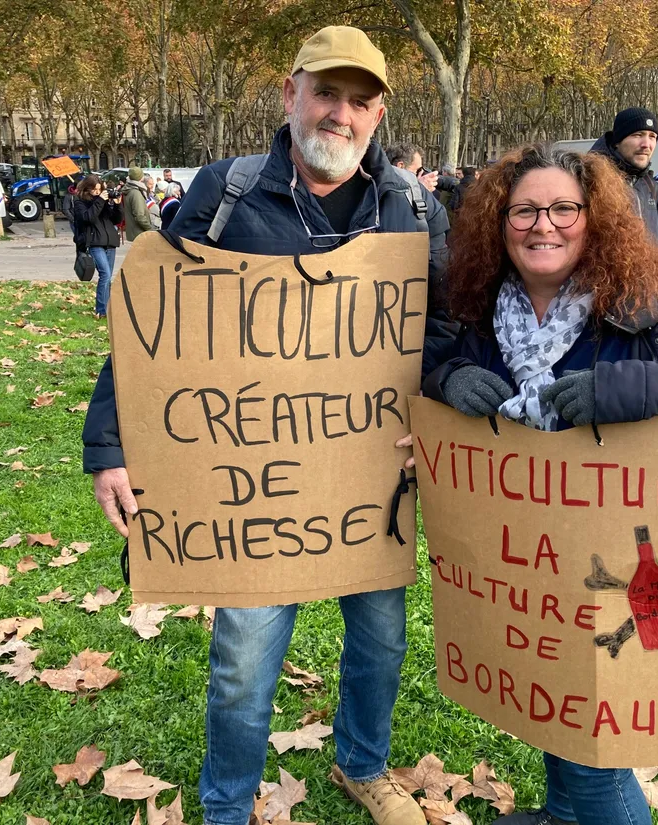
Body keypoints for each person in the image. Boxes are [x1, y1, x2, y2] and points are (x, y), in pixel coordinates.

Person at [84, 25, 452, 825]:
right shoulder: (229, 193)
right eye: (327, 94)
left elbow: (446, 329)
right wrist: (109, 443)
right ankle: (226, 803)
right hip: (253, 491)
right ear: (291, 95)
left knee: (383, 643)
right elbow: (152, 325)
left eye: (360, 103)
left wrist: (439, 416)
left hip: (368, 481)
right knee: (245, 659)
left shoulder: (415, 209)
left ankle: (362, 762)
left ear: (379, 115)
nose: (340, 116)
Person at [422, 143, 658, 825]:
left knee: (596, 752)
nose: (542, 225)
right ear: (499, 222)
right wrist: (449, 380)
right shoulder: (484, 309)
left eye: (562, 209)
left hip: (630, 566)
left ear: (595, 218)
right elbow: (442, 373)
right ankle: (562, 814)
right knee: (554, 704)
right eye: (524, 211)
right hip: (532, 565)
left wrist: (634, 386)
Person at [590, 107, 658, 245]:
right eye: (637, 135)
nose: (646, 145)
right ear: (617, 141)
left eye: (652, 137)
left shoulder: (651, 187)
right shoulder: (590, 180)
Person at [72, 174, 122, 318]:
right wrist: (100, 200)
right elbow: (89, 217)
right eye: (94, 190)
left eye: (99, 190)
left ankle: (107, 307)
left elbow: (116, 219)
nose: (97, 192)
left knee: (108, 277)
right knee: (105, 274)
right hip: (94, 242)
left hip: (109, 242)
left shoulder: (102, 201)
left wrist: (117, 205)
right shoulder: (80, 203)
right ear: (87, 189)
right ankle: (101, 310)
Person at [121, 166, 153, 241]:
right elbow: (139, 216)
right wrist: (150, 229)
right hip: (140, 233)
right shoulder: (136, 193)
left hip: (134, 232)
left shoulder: (129, 188)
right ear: (140, 177)